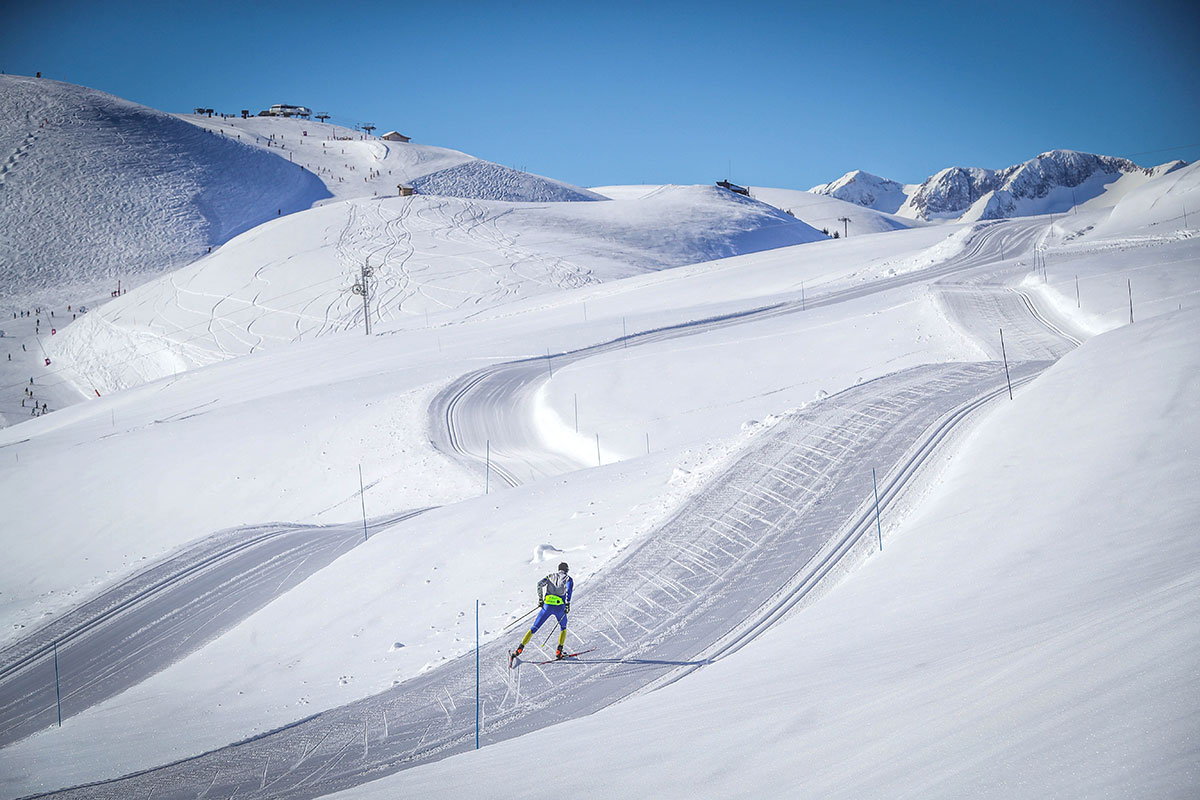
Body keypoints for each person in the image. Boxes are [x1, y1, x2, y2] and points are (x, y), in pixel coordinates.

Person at [511, 562, 573, 662]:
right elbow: (569, 591)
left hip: (547, 606)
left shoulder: (550, 576)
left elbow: (539, 584)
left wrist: (540, 600)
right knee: (563, 627)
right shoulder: (568, 579)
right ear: (566, 570)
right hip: (559, 607)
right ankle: (559, 651)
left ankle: (519, 649)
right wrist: (567, 604)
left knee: (534, 627)